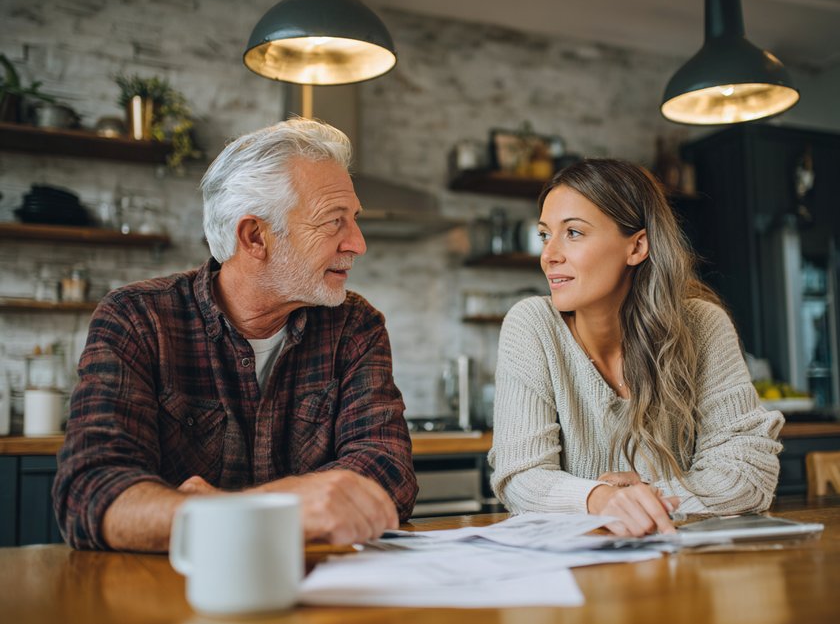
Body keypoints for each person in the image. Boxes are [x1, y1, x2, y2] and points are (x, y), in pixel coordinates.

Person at [53, 118, 418, 552]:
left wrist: (224, 511)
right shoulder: (137, 318)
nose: (357, 243)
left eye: (353, 220)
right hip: (168, 594)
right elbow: (91, 493)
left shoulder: (355, 326)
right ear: (254, 236)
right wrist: (271, 510)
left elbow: (388, 471)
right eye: (333, 222)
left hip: (320, 593)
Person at [489, 158, 783, 537]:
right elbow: (521, 476)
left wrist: (646, 498)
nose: (549, 255)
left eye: (573, 233)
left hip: (683, 569)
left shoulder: (703, 326)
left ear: (637, 246)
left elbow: (748, 472)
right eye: (546, 235)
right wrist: (600, 499)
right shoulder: (532, 325)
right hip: (572, 578)